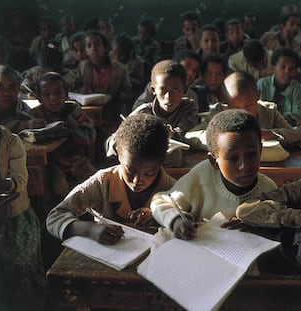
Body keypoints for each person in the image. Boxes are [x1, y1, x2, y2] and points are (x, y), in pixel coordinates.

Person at [46, 114, 176, 243]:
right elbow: (55, 217)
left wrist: (161, 217)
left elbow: (189, 223)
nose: (137, 181)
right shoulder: (103, 183)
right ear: (118, 153)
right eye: (130, 171)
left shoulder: (174, 190)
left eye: (149, 173)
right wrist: (89, 229)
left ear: (161, 163)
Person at [151, 109, 277, 240]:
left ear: (260, 150)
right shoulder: (201, 177)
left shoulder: (268, 190)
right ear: (213, 161)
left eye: (251, 154)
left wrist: (258, 226)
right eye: (233, 158)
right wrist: (176, 219)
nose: (244, 166)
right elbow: (159, 202)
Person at [0, 124, 48, 310]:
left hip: (13, 222)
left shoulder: (9, 141)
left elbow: (19, 181)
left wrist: (0, 183)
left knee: (22, 277)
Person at [31, 72, 96, 200]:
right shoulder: (37, 115)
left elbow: (89, 136)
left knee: (96, 187)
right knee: (60, 191)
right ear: (39, 97)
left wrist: (72, 126)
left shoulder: (74, 111)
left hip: (77, 159)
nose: (53, 98)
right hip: (52, 164)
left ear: (66, 94)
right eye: (46, 94)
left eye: (57, 93)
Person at [223, 71, 301, 144]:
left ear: (258, 95)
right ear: (226, 102)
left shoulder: (269, 111)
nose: (243, 112)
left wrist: (268, 134)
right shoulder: (220, 113)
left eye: (249, 105)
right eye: (235, 107)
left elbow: (295, 134)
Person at [75, 30, 132, 129]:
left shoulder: (119, 69)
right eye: (89, 46)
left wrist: (110, 95)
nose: (93, 49)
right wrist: (82, 90)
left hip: (112, 117)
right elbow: (76, 87)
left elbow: (128, 93)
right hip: (87, 117)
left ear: (105, 47)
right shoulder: (83, 67)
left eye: (97, 45)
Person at [132, 60, 199, 140]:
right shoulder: (142, 114)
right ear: (153, 90)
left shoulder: (188, 107)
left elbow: (181, 132)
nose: (168, 96)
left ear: (184, 90)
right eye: (163, 89)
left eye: (175, 89)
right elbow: (118, 138)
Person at [257, 47, 301, 126]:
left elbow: (298, 115)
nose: (287, 72)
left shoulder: (296, 88)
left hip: (287, 129)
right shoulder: (262, 84)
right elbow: (258, 111)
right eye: (283, 67)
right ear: (273, 68)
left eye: (292, 68)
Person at [133, 50, 200, 109]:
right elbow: (137, 108)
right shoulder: (157, 86)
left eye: (194, 70)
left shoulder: (192, 96)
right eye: (187, 66)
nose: (190, 73)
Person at [0, 64, 45, 132]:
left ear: (18, 88)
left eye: (12, 86)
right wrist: (24, 125)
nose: (7, 93)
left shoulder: (23, 108)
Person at [111, 32, 146, 101]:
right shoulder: (110, 60)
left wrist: (125, 76)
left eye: (121, 55)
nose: (117, 58)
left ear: (129, 52)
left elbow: (140, 83)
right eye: (115, 53)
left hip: (131, 97)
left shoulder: (137, 63)